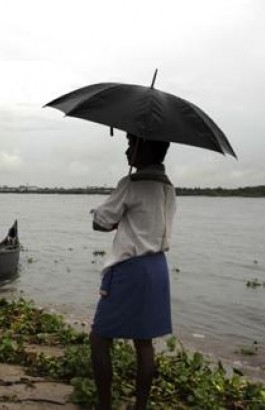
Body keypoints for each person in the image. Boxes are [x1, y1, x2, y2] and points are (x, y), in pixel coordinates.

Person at [89, 133, 176, 410]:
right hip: (157, 268)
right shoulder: (168, 187)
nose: (128, 150)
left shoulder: (131, 184)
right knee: (144, 342)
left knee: (100, 338)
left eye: (131, 144)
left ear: (145, 148)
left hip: (131, 267)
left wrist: (106, 215)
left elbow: (101, 223)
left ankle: (105, 406)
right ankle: (140, 407)